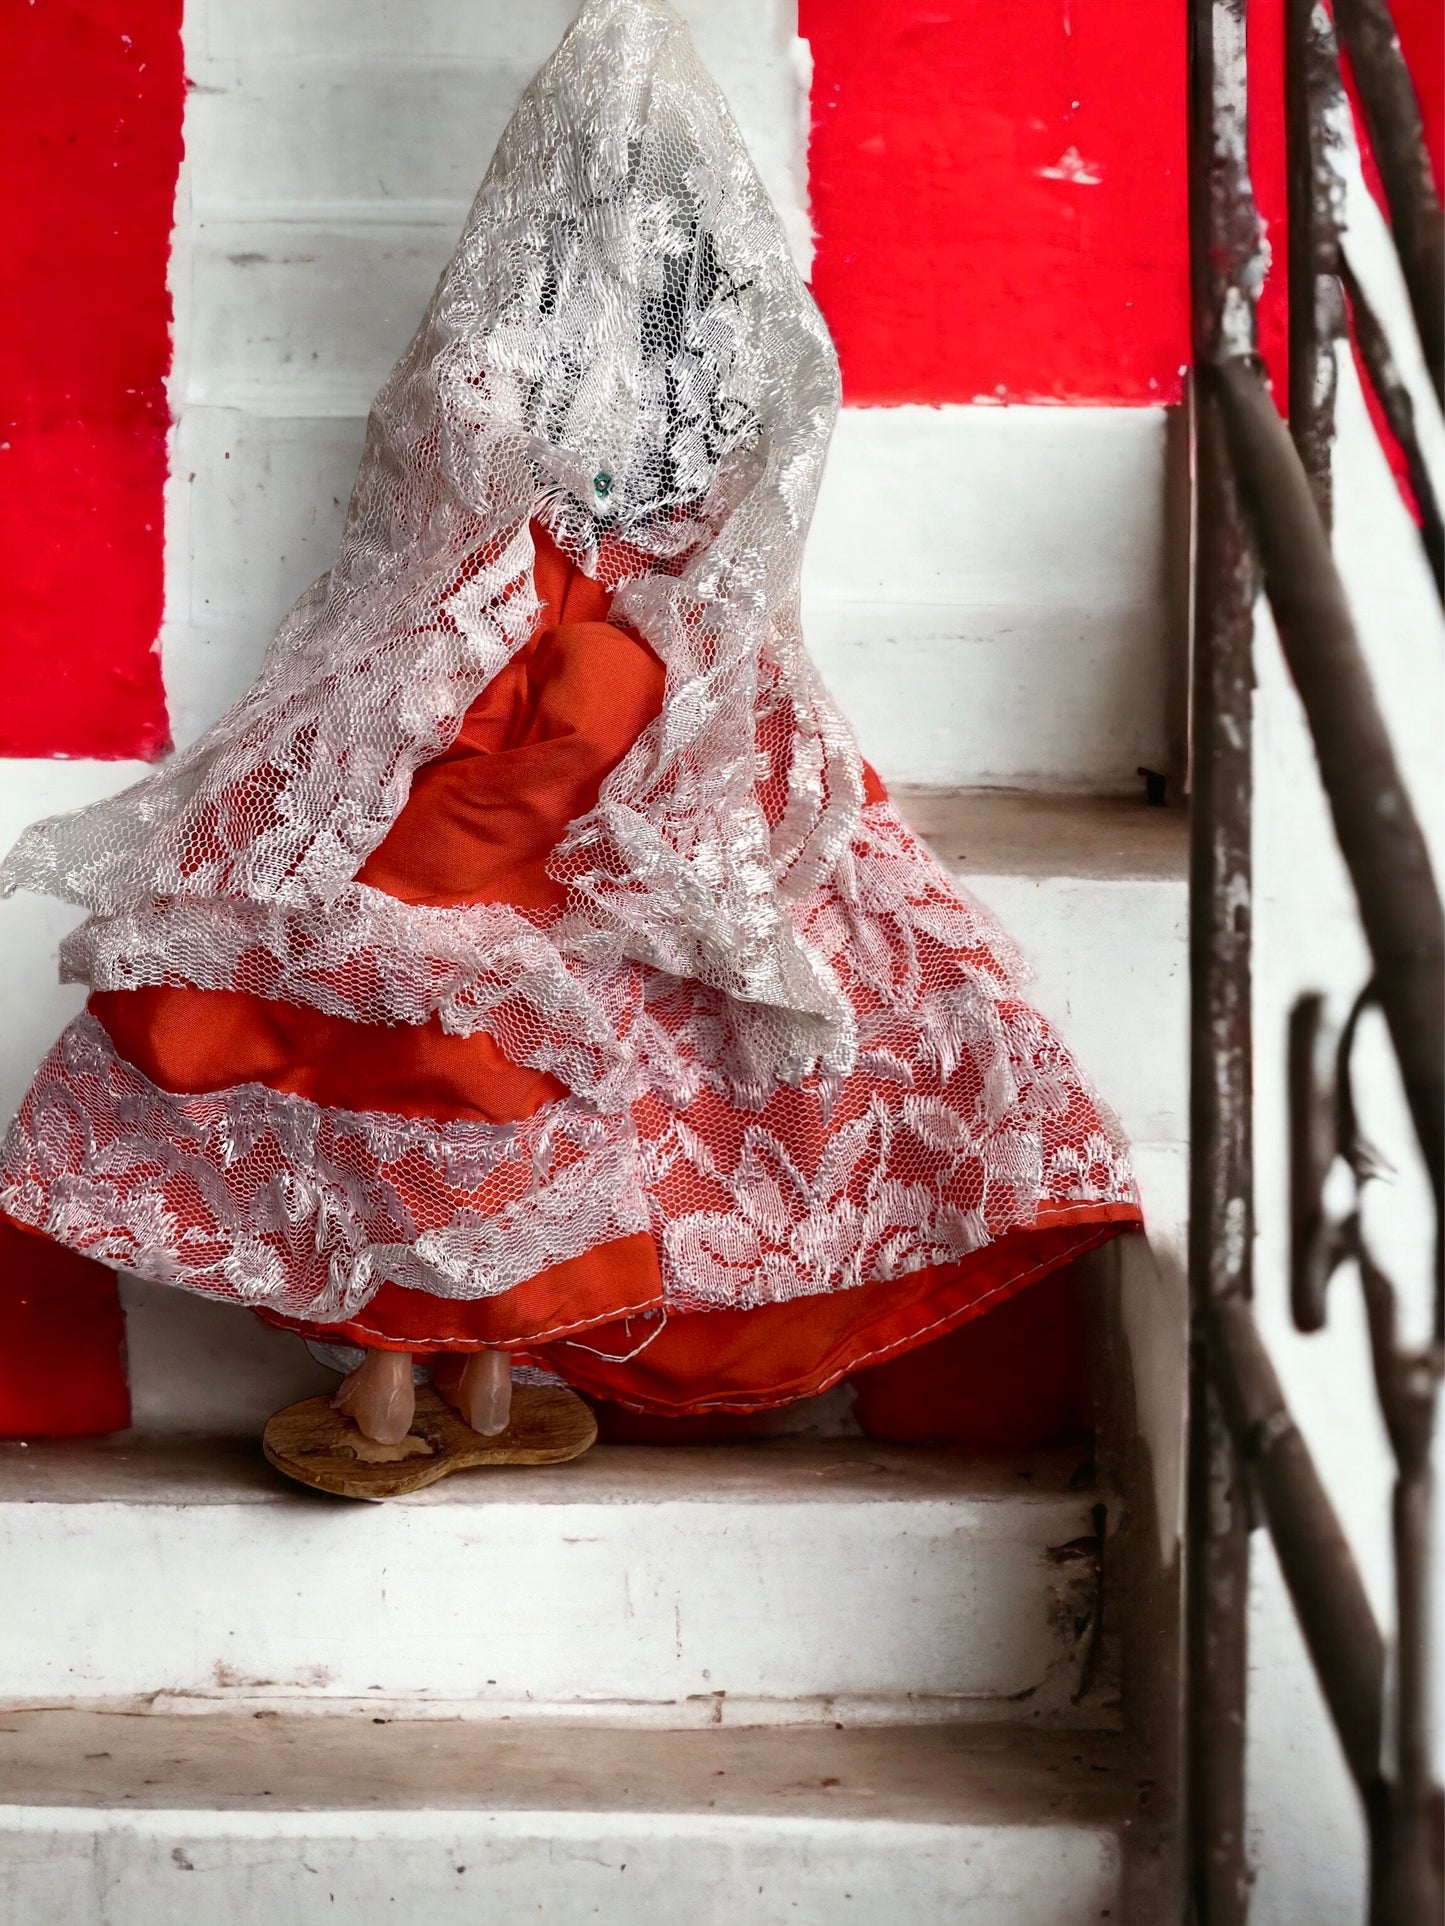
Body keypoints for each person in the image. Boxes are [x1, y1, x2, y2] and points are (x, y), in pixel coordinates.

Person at [0, 0, 1140, 1475]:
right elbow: (731, 514)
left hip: (519, 672)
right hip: (632, 682)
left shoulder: (503, 417)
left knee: (408, 1011)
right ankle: (473, 1383)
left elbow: (436, 495)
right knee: (498, 1011)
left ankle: (412, 1386)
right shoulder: (710, 434)